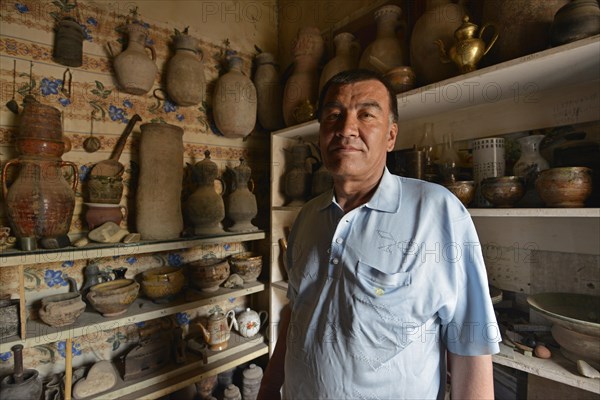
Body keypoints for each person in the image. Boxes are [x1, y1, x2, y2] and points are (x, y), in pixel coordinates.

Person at [258, 69, 500, 399]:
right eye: (333, 115)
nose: (346, 129)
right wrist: (269, 388)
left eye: (366, 114)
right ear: (320, 134)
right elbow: (296, 313)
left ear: (390, 136)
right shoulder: (307, 218)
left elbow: (471, 345)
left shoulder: (437, 212)